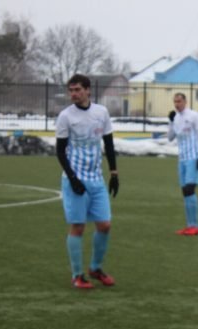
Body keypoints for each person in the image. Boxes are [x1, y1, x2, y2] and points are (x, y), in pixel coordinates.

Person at [55, 73, 119, 289]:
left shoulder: (101, 112)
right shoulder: (65, 116)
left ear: (88, 90)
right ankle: (77, 275)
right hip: (75, 179)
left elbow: (108, 144)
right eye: (71, 90)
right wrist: (73, 178)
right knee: (78, 227)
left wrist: (114, 173)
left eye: (77, 90)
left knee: (105, 225)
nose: (73, 94)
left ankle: (95, 268)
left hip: (96, 179)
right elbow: (60, 151)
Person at [168, 92, 198, 236]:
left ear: (185, 101)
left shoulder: (194, 116)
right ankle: (190, 225)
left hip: (193, 158)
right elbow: (170, 137)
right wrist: (170, 121)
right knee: (185, 192)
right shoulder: (176, 118)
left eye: (179, 101)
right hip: (182, 160)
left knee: (190, 190)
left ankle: (195, 226)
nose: (177, 104)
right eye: (175, 101)